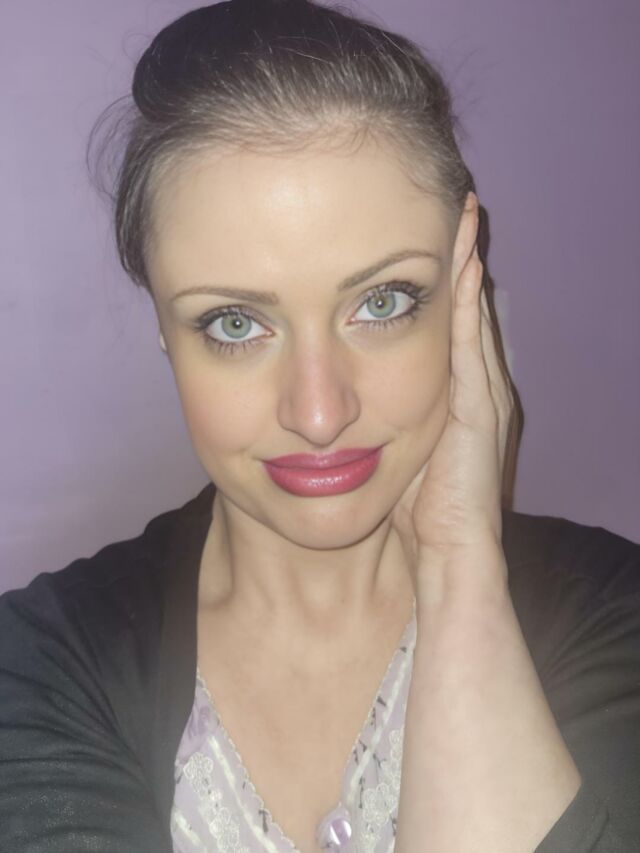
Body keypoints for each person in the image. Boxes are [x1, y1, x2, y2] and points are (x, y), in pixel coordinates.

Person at [0, 0, 638, 851]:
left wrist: (461, 569)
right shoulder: (39, 660)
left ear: (467, 294)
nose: (319, 413)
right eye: (234, 322)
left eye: (383, 302)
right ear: (163, 326)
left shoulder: (617, 613)